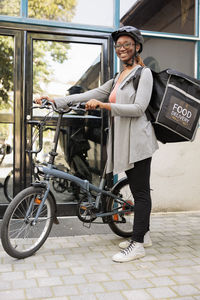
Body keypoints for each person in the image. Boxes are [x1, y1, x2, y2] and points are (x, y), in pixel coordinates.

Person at [35, 26, 159, 263]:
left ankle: (138, 244)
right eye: (118, 45)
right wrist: (56, 99)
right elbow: (89, 93)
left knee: (141, 193)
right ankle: (145, 234)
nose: (122, 49)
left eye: (127, 45)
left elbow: (139, 108)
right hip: (123, 140)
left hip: (139, 141)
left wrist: (104, 107)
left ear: (137, 47)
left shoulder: (144, 74)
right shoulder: (117, 78)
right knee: (137, 188)